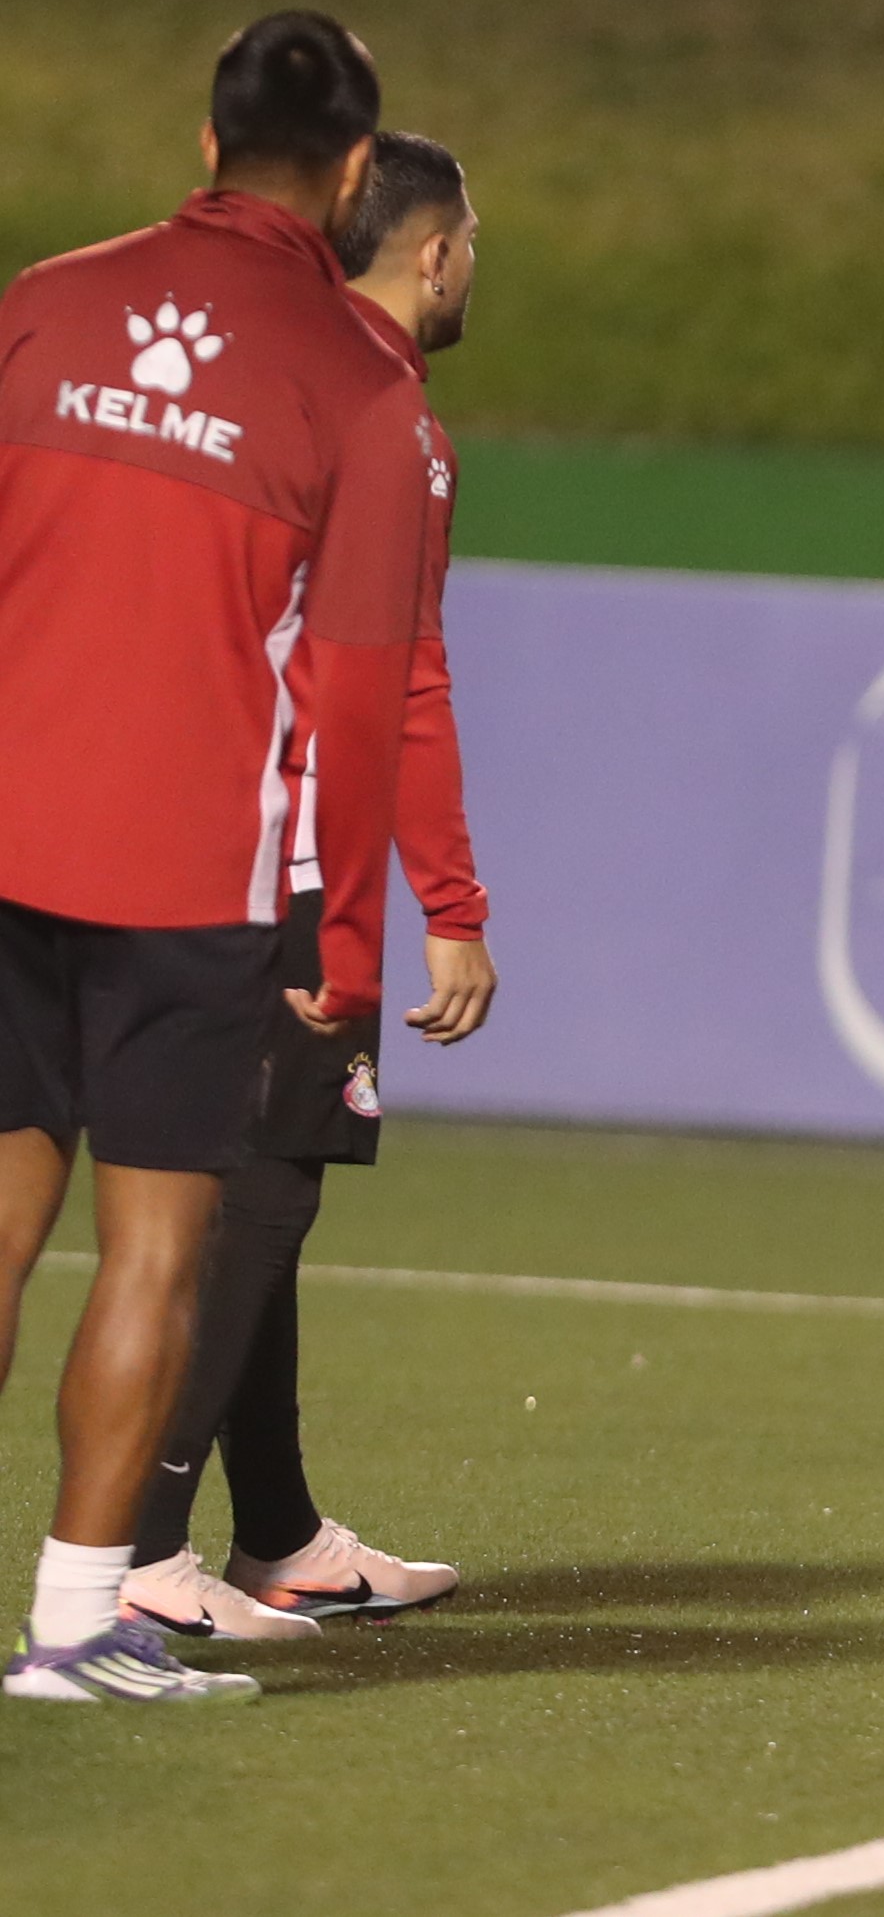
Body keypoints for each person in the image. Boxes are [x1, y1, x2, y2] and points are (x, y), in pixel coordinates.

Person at [0, 11, 432, 1704]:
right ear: (346, 177)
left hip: (10, 826)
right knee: (158, 1249)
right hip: (186, 862)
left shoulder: (41, 296)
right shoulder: (361, 383)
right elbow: (363, 680)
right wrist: (363, 956)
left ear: (203, 143)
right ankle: (73, 1621)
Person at [117, 131, 495, 1644]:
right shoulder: (383, 416)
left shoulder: (238, 375)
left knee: (257, 1175)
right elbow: (396, 674)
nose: (476, 259)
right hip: (272, 854)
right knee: (262, 1189)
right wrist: (448, 903)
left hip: (141, 825)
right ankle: (141, 1547)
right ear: (430, 252)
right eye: (473, 236)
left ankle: (274, 1530)